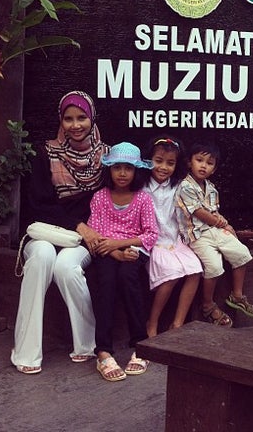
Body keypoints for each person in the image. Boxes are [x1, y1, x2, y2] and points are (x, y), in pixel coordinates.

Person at [11, 90, 108, 374]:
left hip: (82, 238)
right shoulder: (46, 153)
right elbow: (39, 206)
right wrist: (79, 225)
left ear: (92, 118)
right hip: (47, 232)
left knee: (66, 267)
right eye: (68, 119)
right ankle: (26, 352)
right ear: (61, 121)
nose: (75, 125)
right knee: (41, 258)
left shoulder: (106, 157)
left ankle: (87, 343)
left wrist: (87, 231)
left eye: (82, 118)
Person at [87, 142, 159, 381]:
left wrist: (121, 245)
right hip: (106, 251)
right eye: (117, 167)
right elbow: (95, 233)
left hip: (133, 249)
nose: (122, 173)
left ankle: (140, 344)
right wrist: (115, 252)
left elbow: (150, 234)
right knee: (106, 280)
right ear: (109, 170)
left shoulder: (142, 199)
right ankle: (103, 351)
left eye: (128, 168)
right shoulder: (100, 197)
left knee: (128, 277)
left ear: (136, 171)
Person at [175, 141, 253, 327]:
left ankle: (237, 295)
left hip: (214, 230)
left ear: (214, 169)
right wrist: (220, 222)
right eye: (199, 160)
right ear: (189, 162)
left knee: (242, 253)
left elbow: (214, 212)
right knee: (214, 267)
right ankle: (207, 304)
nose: (203, 166)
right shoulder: (185, 186)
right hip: (197, 236)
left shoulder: (211, 188)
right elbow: (200, 212)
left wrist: (227, 226)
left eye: (209, 163)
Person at [142, 137, 203, 337]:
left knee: (195, 270)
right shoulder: (142, 187)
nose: (163, 167)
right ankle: (152, 322)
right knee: (171, 274)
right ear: (149, 160)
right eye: (158, 161)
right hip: (155, 242)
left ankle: (178, 323)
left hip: (175, 240)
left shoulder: (178, 186)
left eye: (170, 163)